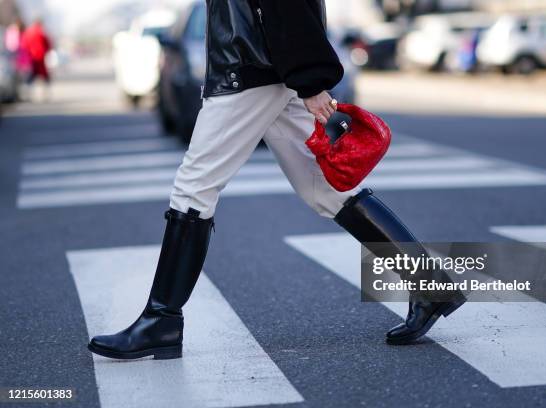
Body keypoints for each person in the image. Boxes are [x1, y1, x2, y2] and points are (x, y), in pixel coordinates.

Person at [88, 0, 465, 361]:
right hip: (266, 65)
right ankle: (430, 283)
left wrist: (311, 80)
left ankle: (161, 320)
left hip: (249, 67)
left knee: (194, 187)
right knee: (325, 187)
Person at [21, 18, 52, 99]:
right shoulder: (41, 32)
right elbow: (48, 44)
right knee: (44, 76)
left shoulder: (28, 32)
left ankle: (27, 94)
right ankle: (45, 94)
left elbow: (24, 44)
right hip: (40, 57)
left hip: (32, 57)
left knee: (31, 76)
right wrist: (45, 51)